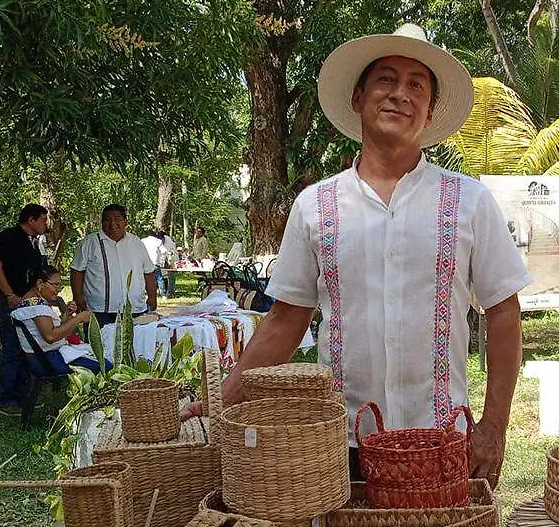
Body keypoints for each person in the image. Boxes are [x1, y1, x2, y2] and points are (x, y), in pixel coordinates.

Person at [182, 24, 530, 486]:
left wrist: (494, 428)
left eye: (416, 85)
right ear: (358, 97)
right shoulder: (316, 207)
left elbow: (504, 312)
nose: (399, 94)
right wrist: (222, 398)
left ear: (427, 114)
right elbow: (286, 320)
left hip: (443, 440)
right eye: (386, 79)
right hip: (343, 443)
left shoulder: (468, 201)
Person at [0, 204, 48, 416]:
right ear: (31, 220)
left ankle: (24, 395)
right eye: (43, 220)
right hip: (10, 301)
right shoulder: (9, 237)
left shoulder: (34, 243)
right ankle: (7, 399)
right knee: (11, 348)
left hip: (27, 301)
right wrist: (10, 294)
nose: (45, 225)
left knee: (26, 347)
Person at [70, 204, 158, 325]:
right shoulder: (89, 243)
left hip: (134, 309)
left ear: (125, 222)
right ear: (101, 222)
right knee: (99, 343)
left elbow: (149, 272)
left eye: (117, 219)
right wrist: (78, 298)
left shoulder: (136, 243)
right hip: (99, 311)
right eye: (107, 219)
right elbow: (77, 271)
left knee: (135, 343)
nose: (112, 224)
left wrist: (152, 297)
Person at [10, 266, 100, 375]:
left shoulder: (28, 303)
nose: (58, 290)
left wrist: (66, 316)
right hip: (48, 360)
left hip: (41, 358)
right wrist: (78, 318)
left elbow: (50, 332)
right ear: (40, 283)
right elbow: (50, 337)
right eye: (56, 285)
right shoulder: (38, 308)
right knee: (106, 365)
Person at [141, 228, 176, 297]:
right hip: (155, 262)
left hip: (145, 263)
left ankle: (144, 293)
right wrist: (162, 260)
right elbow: (164, 251)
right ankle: (163, 295)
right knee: (159, 278)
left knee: (144, 278)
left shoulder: (142, 241)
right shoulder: (158, 241)